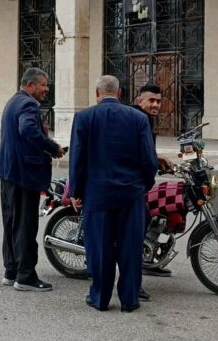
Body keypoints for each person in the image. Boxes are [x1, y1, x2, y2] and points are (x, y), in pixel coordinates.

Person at [70, 75, 158, 313]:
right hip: (131, 195)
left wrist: (76, 191)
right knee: (131, 248)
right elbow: (149, 160)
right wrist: (144, 185)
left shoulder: (84, 118)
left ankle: (99, 298)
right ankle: (130, 300)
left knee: (99, 248)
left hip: (97, 195)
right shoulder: (139, 118)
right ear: (119, 94)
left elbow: (77, 159)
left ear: (96, 93)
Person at [0, 67, 65, 292]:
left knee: (11, 223)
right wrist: (52, 147)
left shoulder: (13, 101)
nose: (46, 89)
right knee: (25, 225)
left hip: (8, 172)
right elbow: (27, 130)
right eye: (43, 85)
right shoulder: (28, 104)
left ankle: (11, 271)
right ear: (30, 85)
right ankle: (25, 277)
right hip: (24, 174)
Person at [131, 84, 174, 281]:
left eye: (158, 101)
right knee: (140, 221)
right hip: (134, 182)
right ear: (140, 101)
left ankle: (148, 259)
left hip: (140, 178)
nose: (156, 104)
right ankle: (137, 268)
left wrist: (159, 158)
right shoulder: (139, 118)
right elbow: (139, 152)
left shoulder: (146, 118)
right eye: (151, 100)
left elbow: (145, 149)